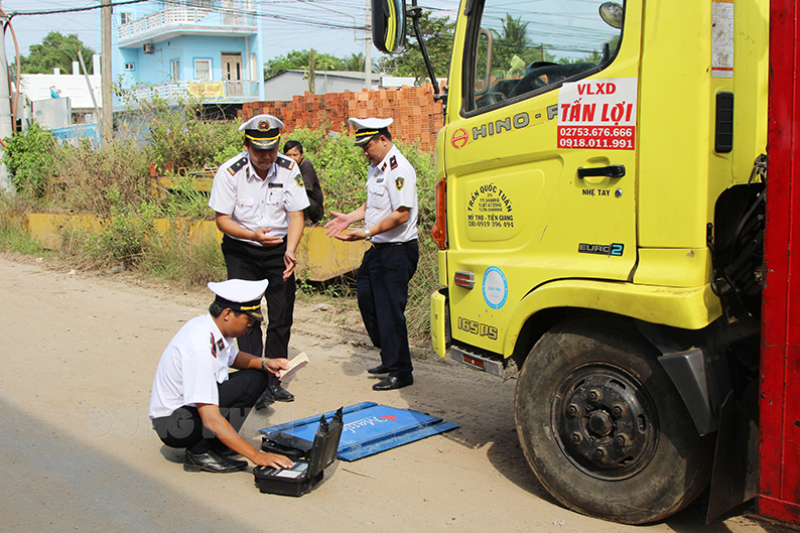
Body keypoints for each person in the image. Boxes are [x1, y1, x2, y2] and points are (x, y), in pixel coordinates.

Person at [208, 114, 309, 409]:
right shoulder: (230, 172)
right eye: (258, 150)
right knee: (247, 317)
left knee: (281, 315)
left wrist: (290, 249)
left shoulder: (289, 168)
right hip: (242, 249)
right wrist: (252, 234)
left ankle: (273, 381)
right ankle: (254, 382)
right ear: (246, 146)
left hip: (278, 249)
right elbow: (222, 220)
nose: (266, 156)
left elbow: (296, 215)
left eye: (271, 149)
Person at [149, 278, 295, 473]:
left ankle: (217, 444)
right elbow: (210, 418)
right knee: (230, 400)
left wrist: (265, 362)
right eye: (248, 319)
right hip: (174, 426)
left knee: (256, 378)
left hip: (185, 413)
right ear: (227, 314)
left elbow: (232, 357)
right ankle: (199, 453)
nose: (250, 325)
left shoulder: (211, 328)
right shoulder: (199, 346)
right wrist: (257, 456)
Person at [323, 117, 419, 391]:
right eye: (361, 147)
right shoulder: (376, 168)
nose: (364, 152)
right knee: (368, 302)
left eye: (368, 146)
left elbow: (402, 214)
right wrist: (348, 219)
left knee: (390, 312)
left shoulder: (399, 169)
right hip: (377, 249)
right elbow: (371, 204)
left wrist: (366, 233)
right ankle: (390, 358)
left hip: (397, 251)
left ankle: (401, 371)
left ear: (384, 140)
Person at [284, 140, 324, 224]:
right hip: (294, 203)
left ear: (301, 155)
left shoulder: (305, 165)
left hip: (312, 207)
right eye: (288, 155)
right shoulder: (285, 167)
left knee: (298, 194)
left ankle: (306, 219)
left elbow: (305, 189)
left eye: (295, 155)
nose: (292, 158)